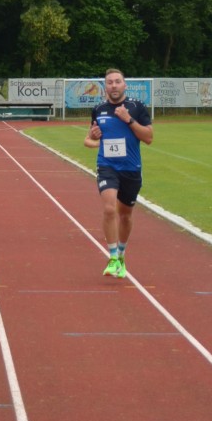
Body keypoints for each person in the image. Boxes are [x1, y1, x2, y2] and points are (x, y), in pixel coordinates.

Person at [83, 68, 153, 279]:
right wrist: (94, 136)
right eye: (110, 82)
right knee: (109, 208)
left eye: (117, 81)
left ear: (125, 85)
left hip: (131, 168)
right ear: (105, 86)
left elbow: (149, 138)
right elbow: (89, 139)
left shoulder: (137, 107)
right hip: (107, 166)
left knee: (126, 215)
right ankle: (112, 257)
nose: (113, 85)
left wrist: (128, 119)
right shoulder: (98, 109)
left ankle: (121, 254)